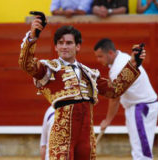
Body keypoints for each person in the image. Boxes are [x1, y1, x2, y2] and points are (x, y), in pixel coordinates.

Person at [19, 15, 144, 159]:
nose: (64, 46)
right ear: (56, 47)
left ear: (77, 46)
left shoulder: (88, 73)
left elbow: (114, 90)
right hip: (62, 134)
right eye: (60, 43)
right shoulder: (49, 68)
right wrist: (33, 37)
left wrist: (133, 64)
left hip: (86, 135)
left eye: (69, 43)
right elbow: (26, 64)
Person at [94, 39, 158, 160]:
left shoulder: (118, 67)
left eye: (100, 56)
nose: (98, 60)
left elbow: (114, 98)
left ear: (111, 53)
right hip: (141, 105)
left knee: (141, 152)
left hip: (140, 108)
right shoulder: (122, 57)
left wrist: (108, 120)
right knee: (141, 148)